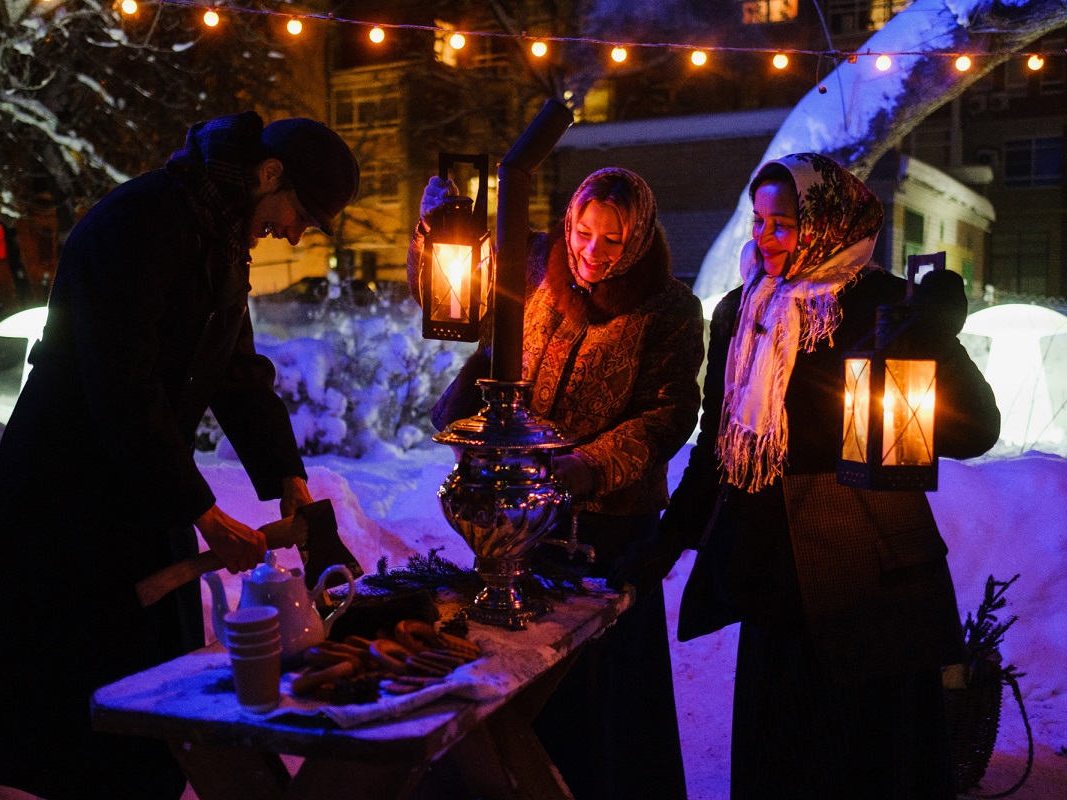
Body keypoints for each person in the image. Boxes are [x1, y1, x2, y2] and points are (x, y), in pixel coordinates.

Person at [0, 112, 359, 799]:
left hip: (142, 485)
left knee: (154, 708)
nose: (294, 232)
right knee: (73, 705)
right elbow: (123, 386)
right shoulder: (141, 221)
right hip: (67, 493)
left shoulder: (219, 237)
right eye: (299, 213)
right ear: (269, 174)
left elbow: (236, 373)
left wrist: (288, 478)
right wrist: (203, 512)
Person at [662, 153, 1001, 798]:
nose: (765, 238)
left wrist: (933, 337)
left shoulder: (884, 304)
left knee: (869, 761)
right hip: (773, 573)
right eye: (759, 221)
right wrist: (666, 537)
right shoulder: (743, 311)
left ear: (827, 223)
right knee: (783, 758)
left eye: (783, 223)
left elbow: (975, 430)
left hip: (870, 572)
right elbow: (717, 444)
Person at [408, 167, 705, 799]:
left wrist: (590, 465)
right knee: (516, 678)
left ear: (639, 238)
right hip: (520, 511)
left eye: (613, 240)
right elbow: (452, 294)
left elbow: (670, 412)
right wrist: (437, 233)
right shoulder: (535, 262)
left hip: (609, 528)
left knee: (603, 696)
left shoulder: (670, 308)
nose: (592, 252)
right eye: (583, 233)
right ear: (568, 223)